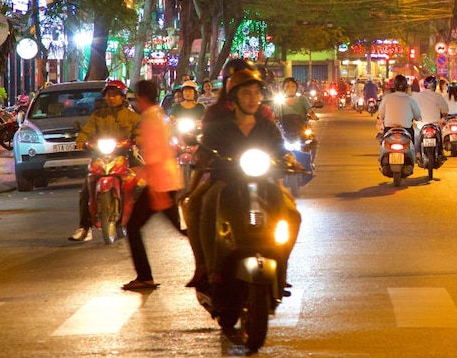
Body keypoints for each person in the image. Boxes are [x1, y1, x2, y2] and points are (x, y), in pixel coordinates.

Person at [187, 67, 300, 297]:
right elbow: (205, 148)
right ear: (234, 97)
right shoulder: (221, 125)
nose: (252, 98)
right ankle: (211, 270)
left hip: (263, 182)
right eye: (246, 93)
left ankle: (281, 269)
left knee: (293, 215)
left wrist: (289, 159)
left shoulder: (267, 125)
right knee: (206, 204)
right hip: (226, 181)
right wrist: (201, 159)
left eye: (256, 93)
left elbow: (279, 150)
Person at [121, 79, 182, 291]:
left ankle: (145, 276)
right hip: (167, 178)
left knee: (133, 227)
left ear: (141, 98)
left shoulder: (149, 119)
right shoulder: (161, 115)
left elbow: (155, 155)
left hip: (160, 182)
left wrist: (156, 192)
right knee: (181, 228)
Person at [70, 80, 140, 242]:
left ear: (123, 97)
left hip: (126, 156)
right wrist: (81, 140)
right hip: (100, 157)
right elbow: (87, 131)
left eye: (115, 95)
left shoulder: (132, 116)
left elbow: (140, 131)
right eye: (109, 95)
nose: (111, 98)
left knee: (142, 184)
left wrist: (138, 139)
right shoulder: (97, 115)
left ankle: (134, 219)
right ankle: (84, 228)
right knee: (85, 190)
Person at [377, 75, 423, 140]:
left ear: (394, 86)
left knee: (383, 143)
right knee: (412, 144)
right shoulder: (410, 100)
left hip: (389, 130)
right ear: (406, 87)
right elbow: (418, 116)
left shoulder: (387, 98)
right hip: (406, 130)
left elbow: (381, 114)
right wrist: (417, 118)